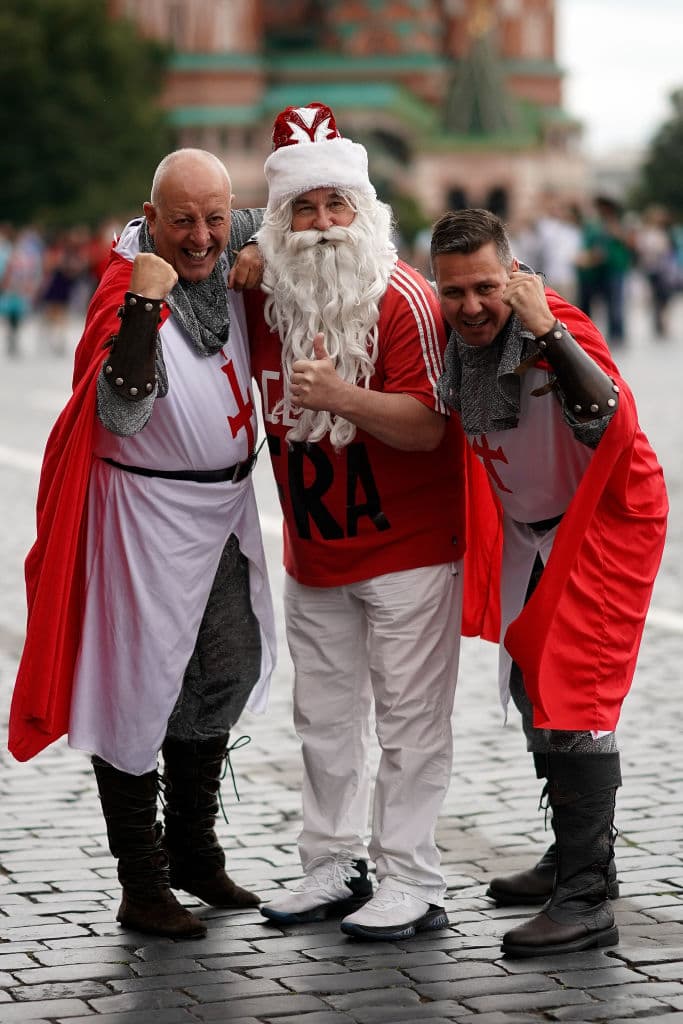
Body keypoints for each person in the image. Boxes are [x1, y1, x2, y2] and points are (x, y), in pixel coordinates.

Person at [8, 149, 277, 940]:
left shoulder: (231, 247)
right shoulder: (128, 285)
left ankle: (194, 851)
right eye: (183, 221)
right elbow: (120, 412)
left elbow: (325, 216)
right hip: (147, 516)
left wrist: (268, 247)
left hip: (224, 508)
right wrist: (139, 310)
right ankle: (142, 879)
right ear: (150, 217)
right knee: (137, 689)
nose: (200, 238)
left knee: (220, 670)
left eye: (215, 219)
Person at [244, 103, 467, 942]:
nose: (324, 224)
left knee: (411, 723)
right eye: (304, 208)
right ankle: (330, 864)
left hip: (408, 548)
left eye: (338, 205)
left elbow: (427, 426)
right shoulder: (263, 299)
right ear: (280, 220)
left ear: (367, 213)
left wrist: (341, 398)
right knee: (324, 722)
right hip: (314, 549)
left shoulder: (402, 299)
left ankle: (412, 876)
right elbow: (168, 239)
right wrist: (243, 250)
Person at [430, 208, 668, 958]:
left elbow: (611, 420)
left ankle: (587, 895)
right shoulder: (454, 340)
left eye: (485, 288)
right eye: (454, 291)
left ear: (514, 276)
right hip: (531, 529)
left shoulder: (553, 322)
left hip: (601, 519)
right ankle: (570, 855)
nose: (471, 307)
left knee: (575, 691)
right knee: (533, 681)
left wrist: (548, 333)